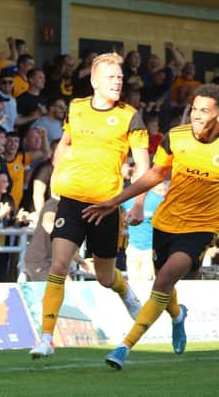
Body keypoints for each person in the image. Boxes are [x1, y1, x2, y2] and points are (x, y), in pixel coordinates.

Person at [82, 84, 219, 370]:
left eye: (204, 110)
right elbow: (155, 174)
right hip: (166, 223)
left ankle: (124, 347)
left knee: (164, 280)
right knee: (164, 285)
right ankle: (178, 315)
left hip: (200, 227)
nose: (195, 115)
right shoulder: (177, 137)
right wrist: (117, 201)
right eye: (194, 109)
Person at [29, 52, 150, 359]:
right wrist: (57, 174)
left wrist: (138, 205)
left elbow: (144, 167)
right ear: (95, 81)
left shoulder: (130, 116)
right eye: (111, 77)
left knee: (105, 277)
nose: (118, 81)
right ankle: (45, 338)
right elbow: (65, 143)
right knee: (58, 265)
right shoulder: (77, 108)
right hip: (70, 202)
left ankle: (125, 291)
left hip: (106, 207)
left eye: (120, 77)